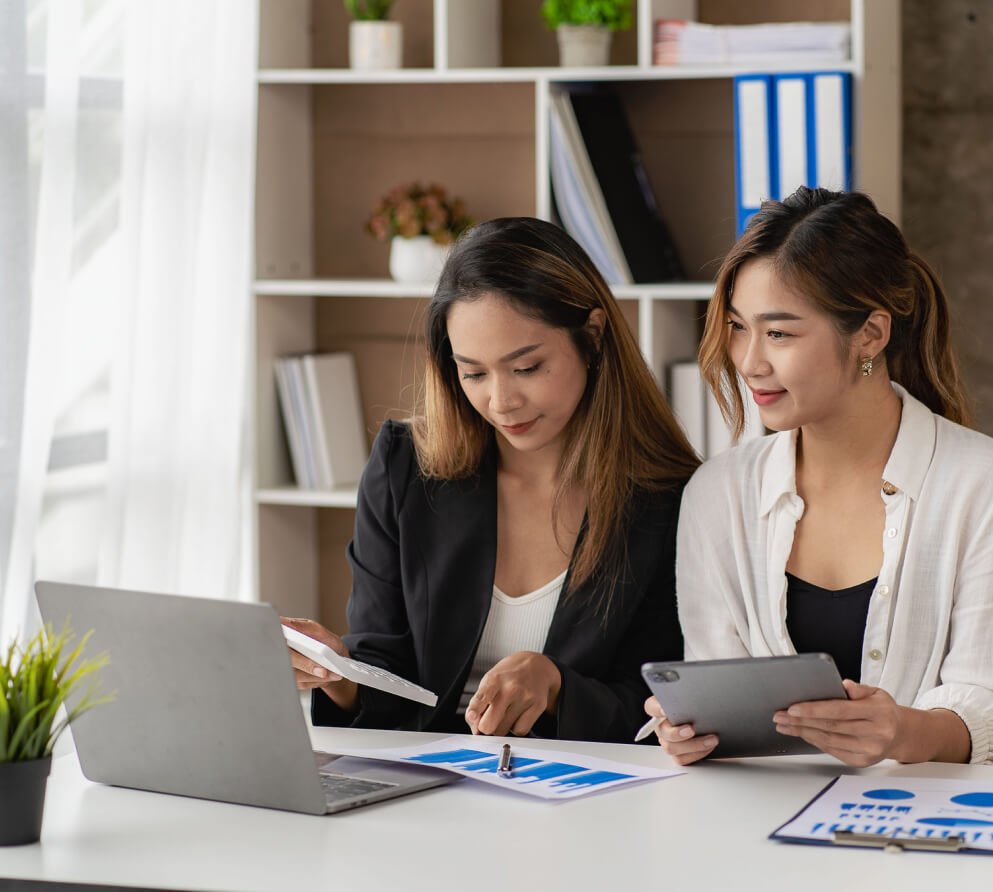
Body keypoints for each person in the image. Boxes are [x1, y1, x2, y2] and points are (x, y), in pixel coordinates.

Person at [645, 187, 993, 767]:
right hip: (765, 824)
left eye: (779, 333)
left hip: (938, 826)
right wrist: (693, 730)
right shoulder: (718, 492)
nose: (749, 360)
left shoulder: (987, 483)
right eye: (737, 327)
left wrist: (901, 732)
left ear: (871, 335)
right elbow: (715, 691)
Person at [285, 217, 700, 743]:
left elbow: (669, 704)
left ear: (592, 338)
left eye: (525, 367)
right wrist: (339, 673)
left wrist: (557, 687)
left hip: (589, 799)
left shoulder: (671, 498)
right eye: (474, 374)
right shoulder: (405, 467)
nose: (500, 402)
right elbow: (385, 674)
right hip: (429, 789)